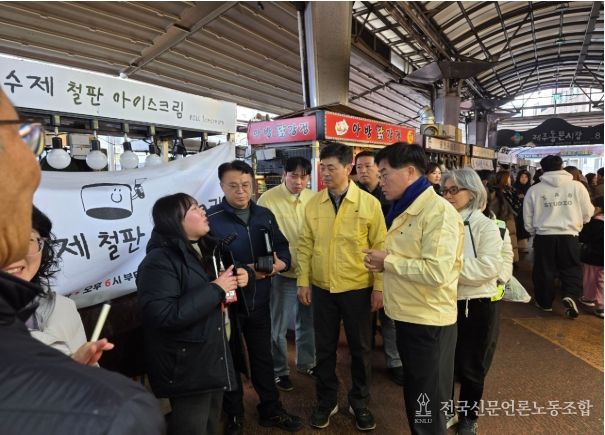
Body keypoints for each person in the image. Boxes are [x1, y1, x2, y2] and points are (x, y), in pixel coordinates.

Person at [0, 87, 165, 434]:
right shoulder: (118, 414)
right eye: (18, 138)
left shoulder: (60, 307)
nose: (30, 166)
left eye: (35, 240)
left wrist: (73, 368)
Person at [363, 143, 464, 435]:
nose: (380, 181)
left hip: (428, 322)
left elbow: (437, 272)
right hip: (411, 315)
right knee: (423, 395)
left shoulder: (437, 213)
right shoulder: (407, 207)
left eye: (384, 174)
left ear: (409, 172)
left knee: (426, 402)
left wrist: (388, 261)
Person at [137, 193, 248, 435]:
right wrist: (216, 288)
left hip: (213, 352)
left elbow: (227, 273)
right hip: (187, 364)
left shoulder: (207, 248)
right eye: (195, 209)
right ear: (176, 221)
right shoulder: (159, 261)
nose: (203, 211)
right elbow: (163, 315)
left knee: (210, 423)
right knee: (192, 426)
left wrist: (242, 274)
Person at [207, 160, 303, 434]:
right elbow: (206, 264)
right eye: (233, 186)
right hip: (226, 305)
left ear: (253, 185)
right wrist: (245, 271)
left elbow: (283, 249)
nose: (241, 191)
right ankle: (234, 414)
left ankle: (271, 409)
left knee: (263, 356)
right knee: (229, 359)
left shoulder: (264, 215)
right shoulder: (211, 219)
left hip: (260, 300)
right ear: (222, 186)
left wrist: (279, 264)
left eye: (246, 185)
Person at [297, 143, 386, 431]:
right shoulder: (314, 204)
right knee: (324, 349)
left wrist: (379, 287)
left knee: (361, 349)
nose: (325, 173)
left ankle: (359, 403)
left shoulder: (369, 204)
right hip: (323, 288)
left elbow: (380, 247)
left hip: (357, 287)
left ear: (348, 168)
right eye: (322, 167)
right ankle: (326, 401)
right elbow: (305, 245)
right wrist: (303, 281)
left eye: (331, 168)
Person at [442, 169, 513, 435]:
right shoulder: (441, 221)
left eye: (454, 190)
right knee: (445, 363)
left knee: (472, 366)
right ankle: (447, 410)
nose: (447, 196)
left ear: (471, 193)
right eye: (444, 190)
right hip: (444, 301)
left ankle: (469, 417)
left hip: (476, 304)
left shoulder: (485, 225)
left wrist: (445, 270)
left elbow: (489, 267)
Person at [2, 205, 114, 364]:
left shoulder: (62, 307)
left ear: (42, 245)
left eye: (26, 239)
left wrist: (81, 367)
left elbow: (88, 371)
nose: (14, 254)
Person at [256, 157, 316, 392]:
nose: (299, 181)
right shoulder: (267, 199)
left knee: (307, 321)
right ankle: (280, 370)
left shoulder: (314, 198)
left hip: (308, 273)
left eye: (304, 176)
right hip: (282, 274)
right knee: (278, 326)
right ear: (284, 175)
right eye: (294, 176)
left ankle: (306, 363)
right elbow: (261, 237)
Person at [523, 155, 595, 318]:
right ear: (562, 166)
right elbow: (588, 211)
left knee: (544, 270)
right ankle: (570, 295)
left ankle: (545, 303)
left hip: (544, 236)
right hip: (569, 235)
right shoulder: (577, 186)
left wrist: (534, 232)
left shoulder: (535, 189)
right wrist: (579, 222)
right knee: (571, 268)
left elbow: (527, 216)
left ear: (542, 169)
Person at [354, 150, 403, 386]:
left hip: (388, 261)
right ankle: (366, 356)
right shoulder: (353, 195)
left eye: (368, 166)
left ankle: (395, 361)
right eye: (359, 167)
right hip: (360, 264)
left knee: (389, 315)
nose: (363, 171)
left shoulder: (391, 196)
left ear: (379, 170)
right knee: (363, 316)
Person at [578, 196, 604, 318]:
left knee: (590, 278)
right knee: (603, 280)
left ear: (598, 208)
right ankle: (602, 305)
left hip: (593, 257)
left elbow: (583, 237)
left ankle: (589, 298)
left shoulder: (593, 223)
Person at [489, 170, 519, 263]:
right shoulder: (502, 192)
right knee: (507, 243)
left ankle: (509, 260)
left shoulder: (505, 191)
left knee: (506, 243)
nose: (510, 179)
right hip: (504, 220)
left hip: (503, 220)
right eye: (509, 177)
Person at [513, 169, 532, 253]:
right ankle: (519, 245)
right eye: (522, 177)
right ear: (518, 178)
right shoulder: (514, 187)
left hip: (528, 212)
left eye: (526, 177)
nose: (524, 178)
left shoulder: (531, 188)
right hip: (517, 213)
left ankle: (523, 245)